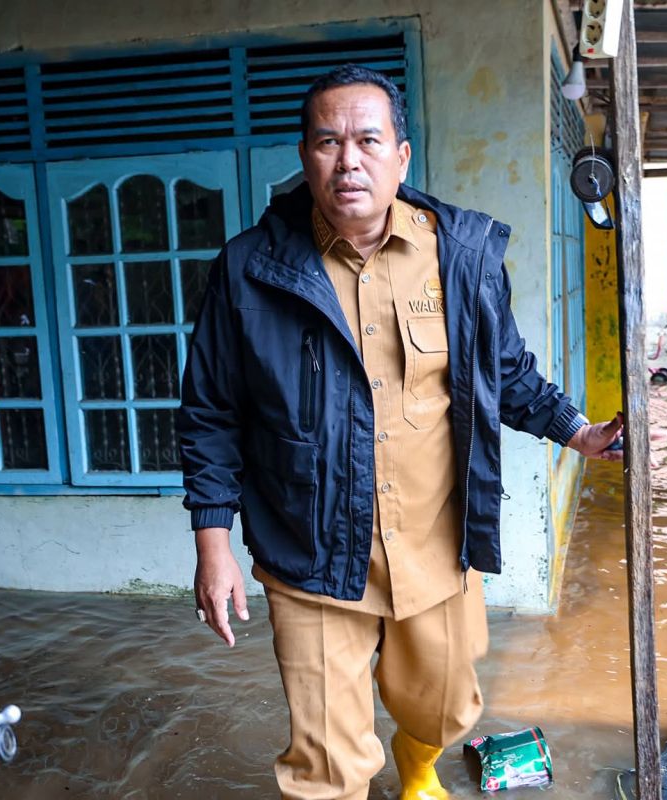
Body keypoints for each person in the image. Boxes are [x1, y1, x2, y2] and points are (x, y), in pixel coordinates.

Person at [177, 64, 623, 800]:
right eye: (328, 142)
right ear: (304, 156)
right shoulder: (250, 269)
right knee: (326, 766)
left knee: (446, 708)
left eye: (367, 140)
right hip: (309, 552)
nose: (348, 160)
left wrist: (578, 432)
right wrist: (212, 542)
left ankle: (417, 767)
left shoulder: (461, 255)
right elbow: (210, 410)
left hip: (434, 544)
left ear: (402, 155)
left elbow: (503, 371)